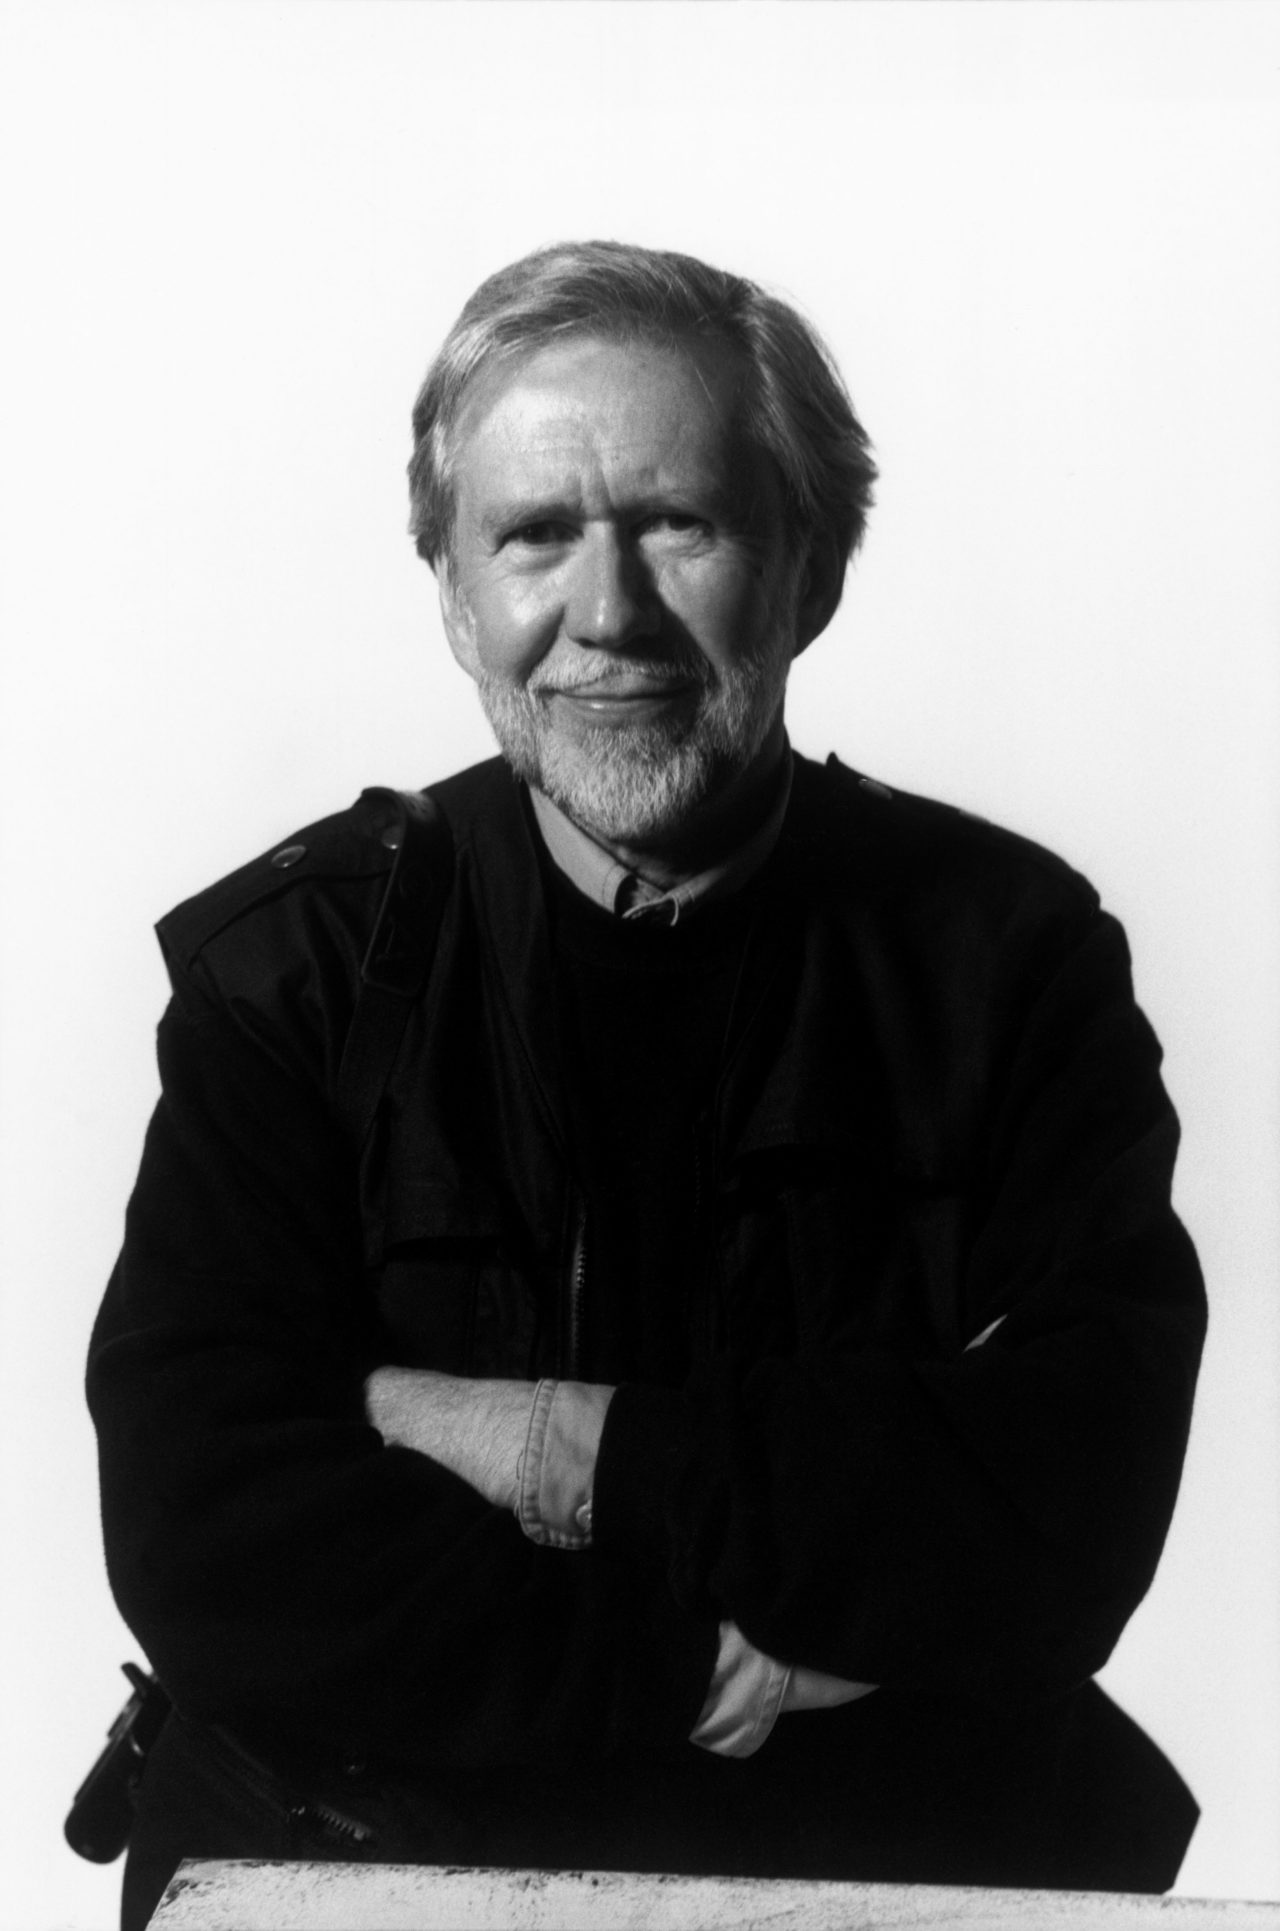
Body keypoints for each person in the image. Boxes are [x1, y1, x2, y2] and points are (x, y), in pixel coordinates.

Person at [89, 241, 1207, 1931]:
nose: (607, 613)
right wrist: (702, 1665)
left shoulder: (1015, 963)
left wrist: (543, 1447)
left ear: (810, 569)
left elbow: (1062, 1521)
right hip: (361, 1875)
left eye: (679, 524)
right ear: (453, 591)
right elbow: (213, 1544)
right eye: (535, 534)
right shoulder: (289, 974)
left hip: (885, 1885)